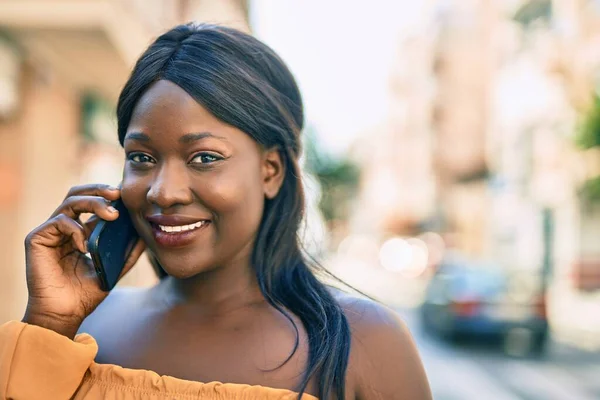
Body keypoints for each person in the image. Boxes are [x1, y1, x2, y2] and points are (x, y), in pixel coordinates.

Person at [0, 24, 432, 400]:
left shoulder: (363, 344)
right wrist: (49, 327)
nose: (163, 192)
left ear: (271, 170)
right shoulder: (89, 329)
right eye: (142, 157)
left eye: (204, 157)